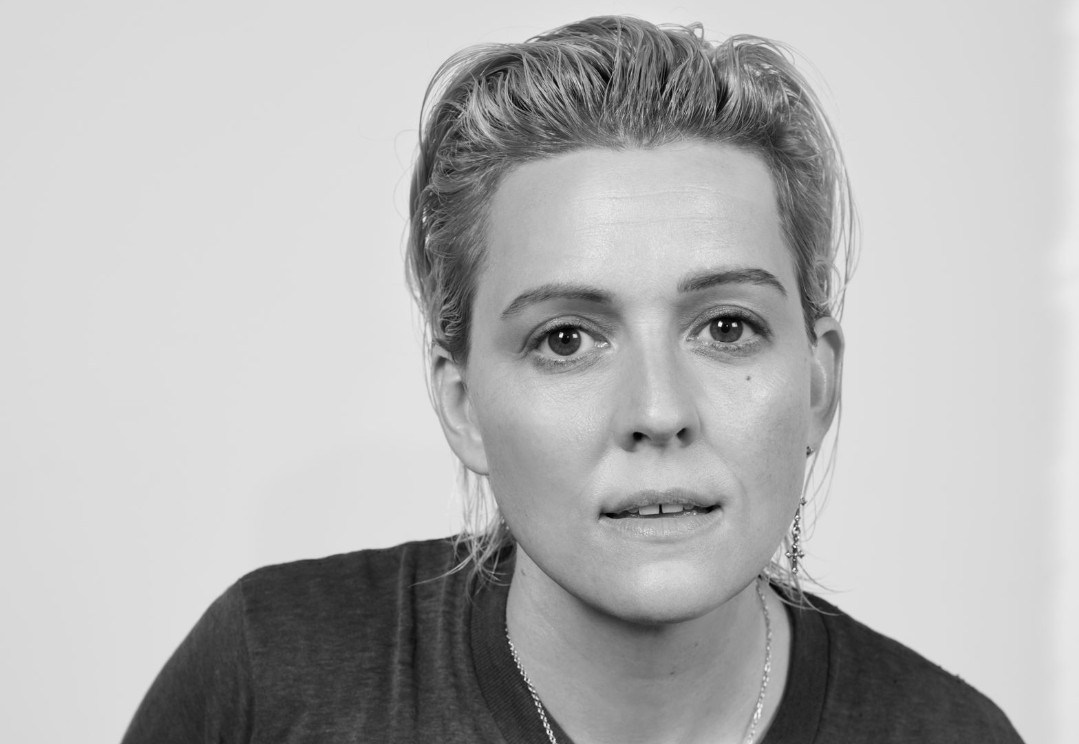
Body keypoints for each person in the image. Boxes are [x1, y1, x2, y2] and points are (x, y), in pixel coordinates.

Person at [122, 16, 1024, 744]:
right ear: (462, 404)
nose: (658, 411)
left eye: (726, 328)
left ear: (818, 385)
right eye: (564, 340)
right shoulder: (268, 677)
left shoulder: (950, 733)